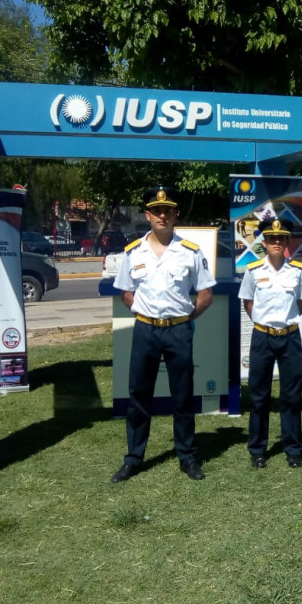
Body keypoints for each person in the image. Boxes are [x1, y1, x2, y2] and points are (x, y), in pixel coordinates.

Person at [110, 187, 215, 483]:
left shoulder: (191, 252)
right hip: (145, 330)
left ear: (175, 214)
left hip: (179, 330)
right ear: (147, 215)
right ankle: (134, 458)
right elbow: (126, 293)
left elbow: (206, 293)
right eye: (156, 210)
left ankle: (187, 457)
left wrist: (186, 318)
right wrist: (145, 315)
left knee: (182, 396)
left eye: (168, 210)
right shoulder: (133, 252)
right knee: (139, 395)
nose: (162, 215)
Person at [238, 218, 302, 469]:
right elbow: (248, 303)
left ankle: (292, 448)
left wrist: (283, 324)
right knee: (259, 396)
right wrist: (265, 323)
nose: (276, 242)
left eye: (281, 238)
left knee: (292, 395)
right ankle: (258, 449)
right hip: (262, 337)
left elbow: (301, 304)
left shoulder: (298, 271)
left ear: (287, 242)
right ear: (264, 242)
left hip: (290, 336)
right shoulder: (253, 270)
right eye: (271, 238)